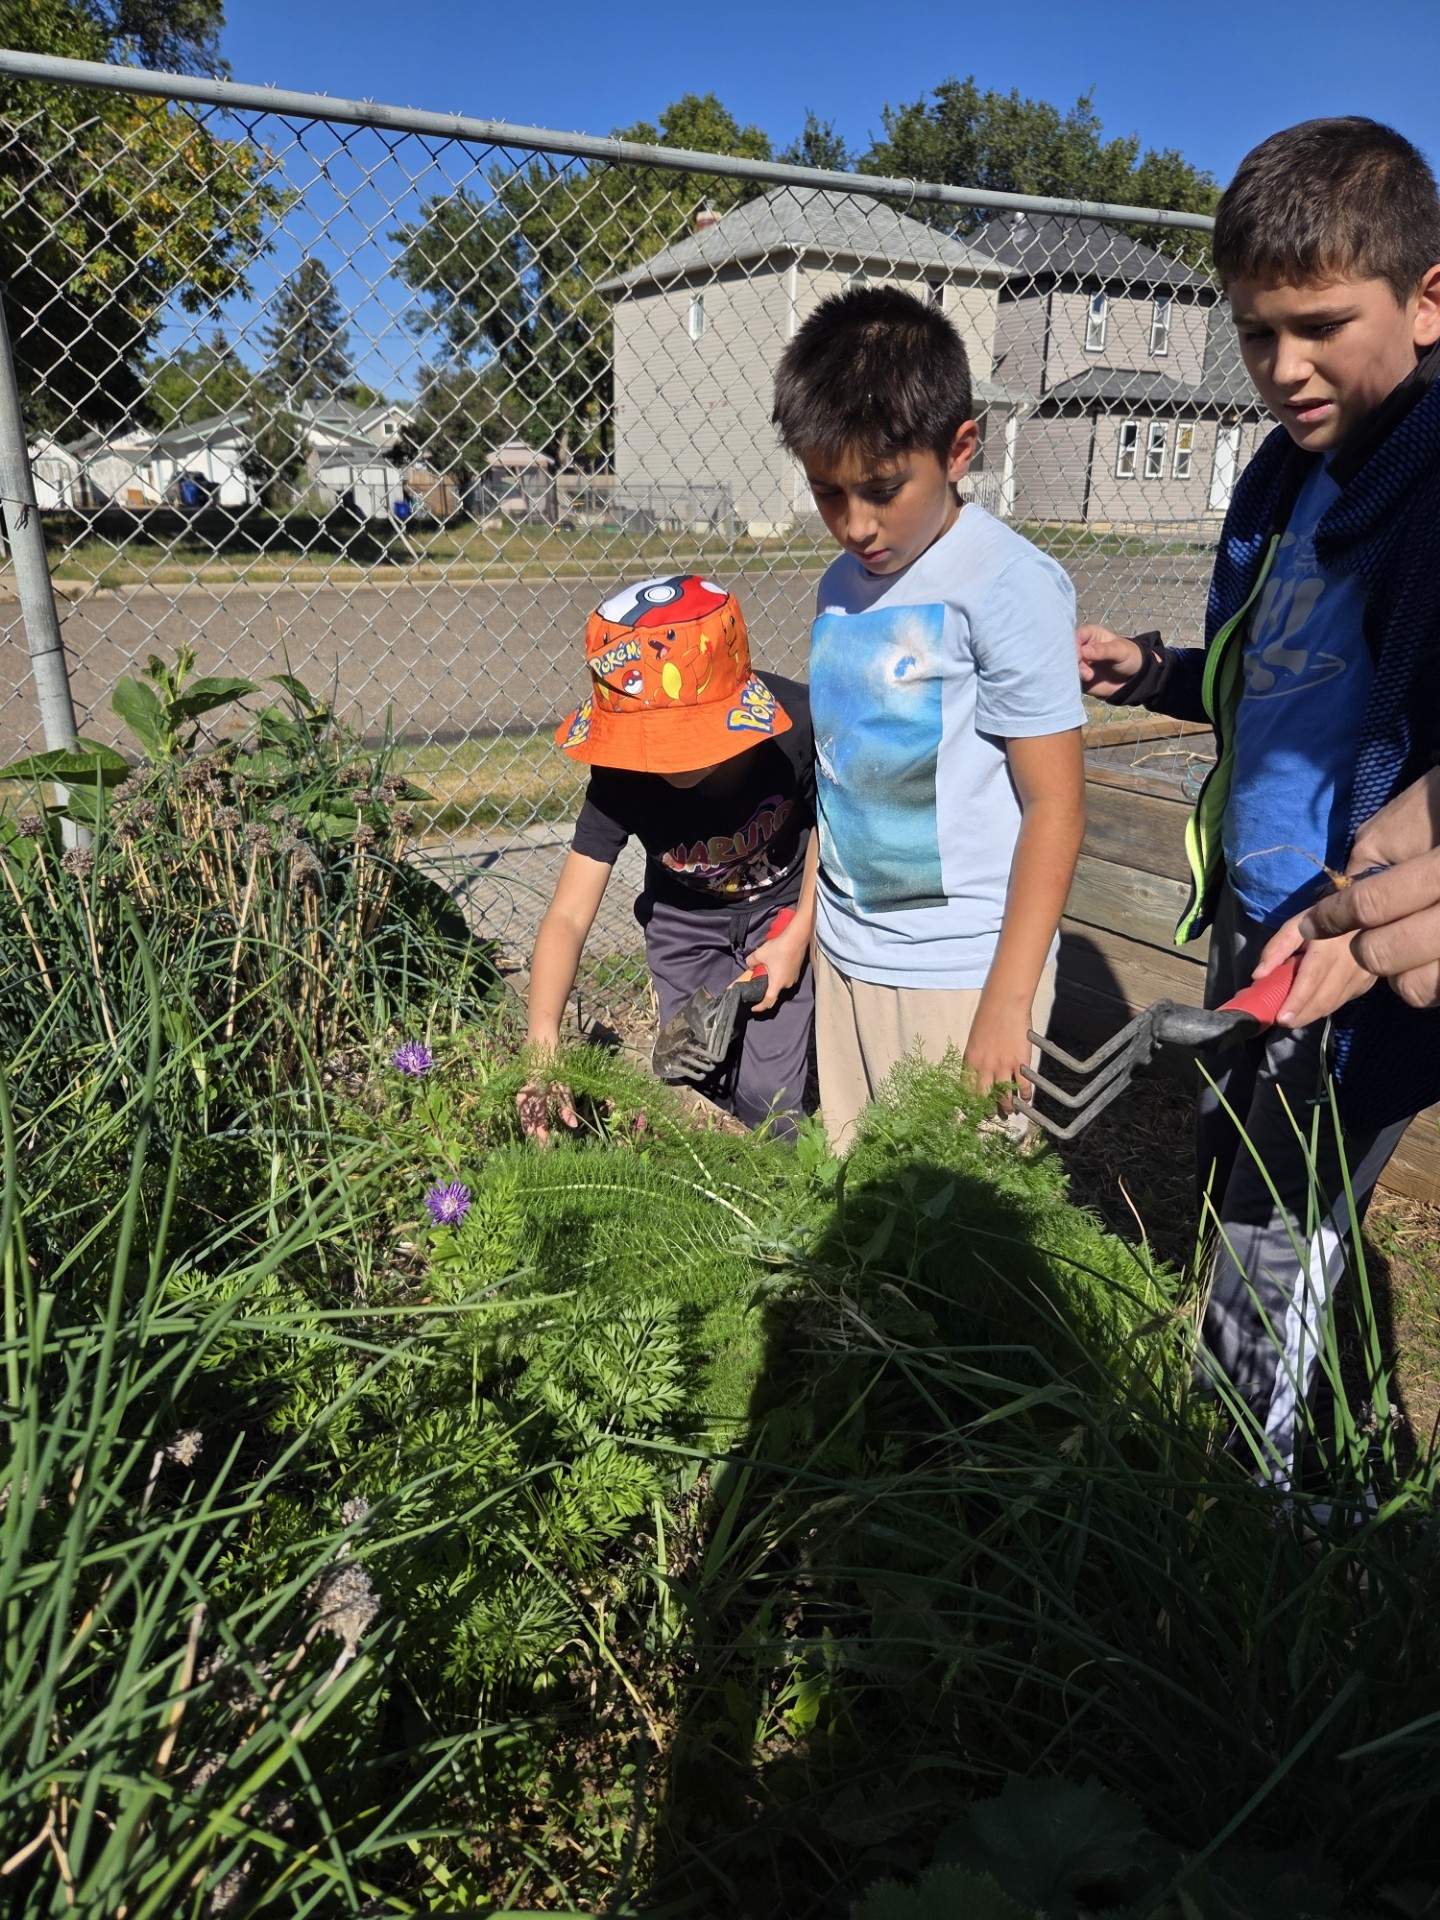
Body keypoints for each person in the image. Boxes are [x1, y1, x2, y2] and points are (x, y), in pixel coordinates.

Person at [1076, 117, 1440, 1479]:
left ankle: (1252, 1509)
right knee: (1261, 1176)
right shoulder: (1282, 480)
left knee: (1274, 1225)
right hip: (1254, 907)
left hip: (1358, 937)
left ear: (1427, 297)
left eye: (1320, 326)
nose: (1284, 369)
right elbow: (1264, 681)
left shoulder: (1430, 481)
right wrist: (1159, 670)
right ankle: (1300, 1445)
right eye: (1252, 334)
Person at [770, 286, 1086, 1151]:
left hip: (964, 974)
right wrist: (806, 928)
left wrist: (1006, 1003)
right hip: (849, 956)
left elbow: (1056, 806)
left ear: (959, 449)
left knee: (957, 1236)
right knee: (862, 1211)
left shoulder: (1005, 582)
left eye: (881, 488)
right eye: (827, 491)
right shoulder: (842, 587)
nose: (855, 525)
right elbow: (839, 780)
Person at [521, 574, 815, 1142]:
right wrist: (543, 1043)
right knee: (698, 1065)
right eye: (647, 741)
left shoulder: (794, 730)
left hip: (783, 903)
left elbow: (834, 823)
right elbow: (568, 915)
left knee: (767, 1098)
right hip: (685, 920)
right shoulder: (621, 777)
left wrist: (801, 932)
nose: (663, 759)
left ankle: (788, 1179)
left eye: (682, 737)